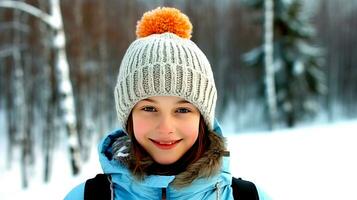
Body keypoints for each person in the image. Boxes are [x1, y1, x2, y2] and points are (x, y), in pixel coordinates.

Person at [65, 7, 264, 200]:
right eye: (149, 108)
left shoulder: (248, 197)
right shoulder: (87, 197)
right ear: (129, 116)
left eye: (183, 109)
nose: (166, 127)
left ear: (202, 119)